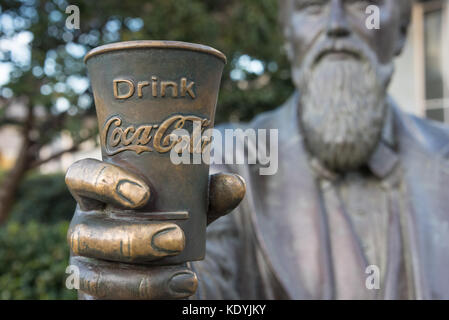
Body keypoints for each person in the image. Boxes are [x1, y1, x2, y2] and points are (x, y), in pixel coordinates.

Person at [65, 0, 449, 299]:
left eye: (362, 5)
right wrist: (133, 278)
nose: (336, 25)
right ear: (288, 36)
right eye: (310, 6)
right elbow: (201, 288)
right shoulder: (223, 158)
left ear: (399, 31)